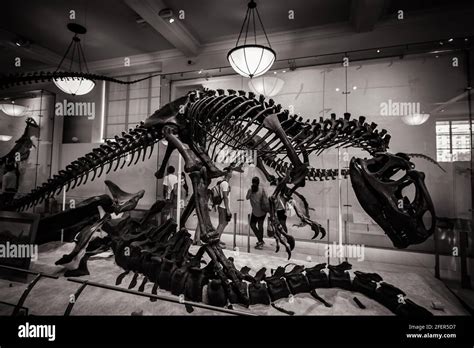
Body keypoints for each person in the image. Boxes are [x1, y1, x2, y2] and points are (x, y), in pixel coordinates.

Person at [246, 177, 269, 250]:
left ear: (252, 182)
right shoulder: (262, 189)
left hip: (256, 212)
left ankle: (260, 241)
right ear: (258, 182)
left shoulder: (250, 190)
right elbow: (266, 199)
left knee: (253, 225)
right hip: (262, 212)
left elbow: (247, 197)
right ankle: (260, 240)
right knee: (260, 226)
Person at [215, 169, 232, 248]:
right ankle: (216, 241)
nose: (231, 173)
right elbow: (225, 197)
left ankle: (218, 239)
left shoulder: (225, 183)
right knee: (222, 224)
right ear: (227, 173)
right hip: (223, 207)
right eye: (230, 172)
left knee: (224, 223)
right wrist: (228, 209)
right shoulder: (225, 183)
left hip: (222, 206)